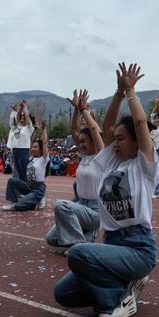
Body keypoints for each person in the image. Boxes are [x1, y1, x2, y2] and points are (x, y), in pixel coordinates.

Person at [54, 63, 159, 317]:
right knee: (63, 293)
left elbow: (139, 123)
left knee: (78, 253)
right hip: (112, 244)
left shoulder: (144, 165)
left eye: (122, 139)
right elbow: (108, 125)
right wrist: (118, 93)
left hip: (138, 248)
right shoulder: (112, 162)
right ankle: (124, 284)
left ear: (136, 141)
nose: (116, 142)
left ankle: (117, 299)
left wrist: (132, 92)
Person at [46, 89, 104, 250]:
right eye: (80, 142)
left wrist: (84, 110)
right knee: (51, 239)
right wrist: (76, 111)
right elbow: (73, 131)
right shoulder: (84, 156)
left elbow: (94, 130)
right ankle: (87, 235)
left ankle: (80, 246)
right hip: (80, 205)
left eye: (84, 141)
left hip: (96, 209)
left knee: (61, 206)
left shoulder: (102, 156)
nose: (81, 144)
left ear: (94, 141)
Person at [2, 120, 49, 211]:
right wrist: (36, 130)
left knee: (22, 203)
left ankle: (30, 201)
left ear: (41, 149)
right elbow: (31, 141)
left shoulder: (43, 159)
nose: (32, 149)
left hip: (38, 188)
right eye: (32, 147)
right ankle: (14, 201)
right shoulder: (31, 158)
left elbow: (44, 143)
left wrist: (44, 130)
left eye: (35, 147)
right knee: (12, 180)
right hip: (28, 186)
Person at [7, 101, 34, 180]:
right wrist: (20, 108)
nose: (22, 120)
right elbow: (17, 116)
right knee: (18, 172)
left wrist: (25, 108)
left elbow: (27, 116)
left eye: (23, 119)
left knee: (24, 171)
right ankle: (21, 187)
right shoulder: (17, 127)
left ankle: (26, 187)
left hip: (23, 150)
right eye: (21, 119)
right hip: (15, 150)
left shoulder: (29, 128)